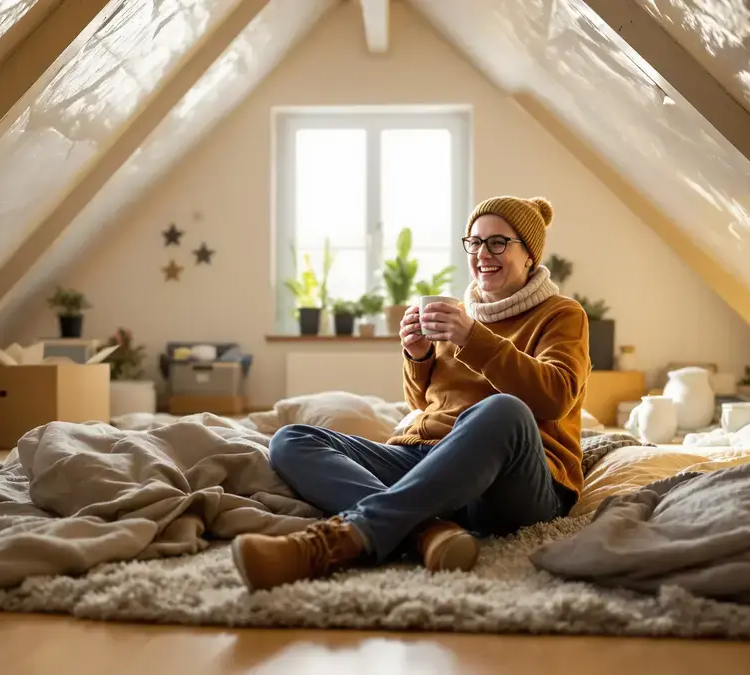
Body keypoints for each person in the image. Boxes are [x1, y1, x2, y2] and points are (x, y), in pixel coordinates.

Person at [231, 196, 591, 592]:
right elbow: (423, 405)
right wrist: (418, 356)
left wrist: (473, 339)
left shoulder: (561, 314)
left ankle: (340, 541)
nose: (483, 254)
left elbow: (555, 397)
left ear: (529, 255)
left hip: (515, 482)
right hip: (429, 456)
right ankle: (428, 532)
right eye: (474, 242)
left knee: (502, 410)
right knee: (292, 438)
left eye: (498, 243)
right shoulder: (458, 314)